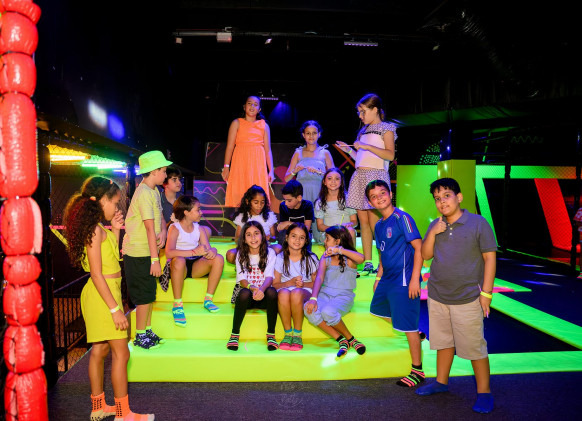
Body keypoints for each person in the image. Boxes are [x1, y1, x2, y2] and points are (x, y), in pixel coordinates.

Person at [63, 176, 154, 421]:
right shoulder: (94, 230)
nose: (116, 208)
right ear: (102, 200)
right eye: (114, 203)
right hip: (103, 297)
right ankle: (124, 414)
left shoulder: (98, 228)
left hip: (105, 293)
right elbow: (96, 273)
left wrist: (114, 228)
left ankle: (98, 407)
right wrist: (115, 309)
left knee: (100, 349)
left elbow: (110, 255)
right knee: (122, 354)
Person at [416, 178, 497, 414]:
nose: (442, 202)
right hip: (438, 294)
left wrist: (486, 293)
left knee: (475, 347)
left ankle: (484, 392)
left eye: (447, 196)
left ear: (459, 197)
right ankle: (441, 382)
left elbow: (490, 258)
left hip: (468, 296)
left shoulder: (478, 223)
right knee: (443, 342)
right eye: (437, 198)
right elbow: (426, 255)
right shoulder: (436, 224)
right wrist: (433, 232)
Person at [365, 180, 425, 388]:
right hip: (387, 279)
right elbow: (382, 253)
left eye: (382, 193)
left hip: (404, 280)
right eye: (374, 196)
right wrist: (378, 278)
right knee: (377, 310)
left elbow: (419, 248)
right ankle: (416, 333)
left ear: (390, 194)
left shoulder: (402, 218)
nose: (379, 198)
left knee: (407, 327)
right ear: (370, 202)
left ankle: (417, 371)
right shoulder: (379, 225)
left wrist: (415, 279)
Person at [336, 93, 396, 275]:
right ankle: (368, 261)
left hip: (376, 177)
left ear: (375, 109)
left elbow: (390, 154)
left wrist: (367, 146)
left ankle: (383, 263)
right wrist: (349, 150)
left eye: (363, 111)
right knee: (363, 222)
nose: (360, 116)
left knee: (376, 222)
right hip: (360, 175)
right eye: (359, 112)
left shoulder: (386, 128)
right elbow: (361, 158)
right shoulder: (363, 131)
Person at [123, 150, 172, 350]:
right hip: (138, 253)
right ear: (153, 171)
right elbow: (149, 228)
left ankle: (147, 329)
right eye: (164, 171)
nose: (166, 175)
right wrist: (154, 259)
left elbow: (159, 218)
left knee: (150, 294)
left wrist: (164, 232)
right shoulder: (143, 193)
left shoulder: (154, 191)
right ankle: (140, 335)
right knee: (144, 295)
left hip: (148, 251)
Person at [161, 195, 224, 326]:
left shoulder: (199, 228)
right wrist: (194, 252)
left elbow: (207, 249)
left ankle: (208, 300)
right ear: (186, 212)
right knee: (179, 261)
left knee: (218, 259)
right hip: (179, 267)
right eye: (198, 209)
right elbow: (169, 253)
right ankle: (177, 305)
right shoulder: (174, 228)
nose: (201, 212)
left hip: (195, 265)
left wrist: (213, 251)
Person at [304, 225, 366, 357]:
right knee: (308, 309)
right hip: (324, 295)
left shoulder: (349, 258)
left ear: (337, 241)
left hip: (343, 297)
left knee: (328, 312)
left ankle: (351, 339)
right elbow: (319, 278)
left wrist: (340, 250)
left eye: (327, 238)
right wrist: (313, 298)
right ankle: (341, 339)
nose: (324, 241)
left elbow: (361, 258)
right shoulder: (325, 257)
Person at [227, 221, 279, 351]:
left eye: (256, 233)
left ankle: (271, 334)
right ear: (244, 239)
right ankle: (234, 334)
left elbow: (269, 277)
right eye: (249, 235)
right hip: (247, 295)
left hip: (263, 294)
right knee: (244, 293)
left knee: (272, 292)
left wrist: (260, 290)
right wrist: (253, 288)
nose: (253, 238)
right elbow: (242, 279)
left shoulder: (270, 253)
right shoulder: (241, 254)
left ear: (263, 235)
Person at [222, 95, 275, 208]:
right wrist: (226, 166)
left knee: (257, 193)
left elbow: (268, 150)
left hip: (257, 164)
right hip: (240, 161)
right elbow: (230, 147)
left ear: (259, 109)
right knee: (239, 191)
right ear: (244, 106)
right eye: (249, 103)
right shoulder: (236, 123)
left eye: (255, 105)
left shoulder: (264, 126)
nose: (252, 106)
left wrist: (271, 170)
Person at [272, 223, 319, 351]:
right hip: (285, 289)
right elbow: (275, 285)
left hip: (304, 291)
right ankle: (288, 333)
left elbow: (317, 283)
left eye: (301, 237)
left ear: (306, 240)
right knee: (283, 293)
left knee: (296, 292)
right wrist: (290, 283)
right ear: (287, 237)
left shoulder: (311, 258)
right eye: (294, 236)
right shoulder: (280, 258)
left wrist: (303, 285)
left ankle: (297, 333)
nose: (297, 240)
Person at [226, 185, 281, 264]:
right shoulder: (242, 216)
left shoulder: (269, 216)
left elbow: (274, 238)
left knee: (278, 248)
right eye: (256, 202)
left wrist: (268, 238)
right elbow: (237, 239)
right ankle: (255, 262)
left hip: (264, 250)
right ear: (248, 202)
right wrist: (247, 240)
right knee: (230, 254)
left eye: (262, 202)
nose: (259, 206)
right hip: (247, 250)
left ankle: (256, 262)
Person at [284, 120, 335, 203]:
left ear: (319, 134)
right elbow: (286, 179)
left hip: (319, 192)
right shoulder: (298, 153)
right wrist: (295, 171)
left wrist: (319, 172)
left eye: (314, 133)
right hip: (301, 193)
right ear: (303, 135)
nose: (311, 136)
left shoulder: (325, 153)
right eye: (308, 133)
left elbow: (334, 176)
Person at [313, 168, 357, 245]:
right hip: (329, 233)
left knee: (350, 231)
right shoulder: (320, 202)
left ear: (341, 182)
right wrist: (333, 229)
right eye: (329, 178)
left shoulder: (349, 199)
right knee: (332, 237)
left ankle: (350, 253)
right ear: (324, 182)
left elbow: (354, 221)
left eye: (337, 179)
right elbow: (320, 226)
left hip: (345, 231)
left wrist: (348, 225)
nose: (333, 181)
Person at [277, 180, 315, 250]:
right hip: (289, 233)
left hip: (303, 233)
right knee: (283, 234)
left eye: (289, 200)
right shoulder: (283, 206)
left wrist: (289, 223)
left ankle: (305, 255)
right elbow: (283, 227)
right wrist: (290, 226)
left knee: (307, 236)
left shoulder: (308, 205)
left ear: (299, 198)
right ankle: (284, 254)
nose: (286, 203)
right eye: (284, 200)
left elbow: (306, 228)